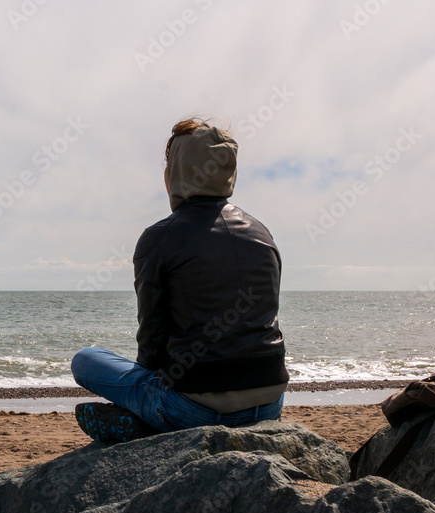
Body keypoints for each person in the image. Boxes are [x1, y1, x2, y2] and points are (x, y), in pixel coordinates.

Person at [72, 118, 289, 441]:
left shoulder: (158, 239)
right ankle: (151, 420)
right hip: (270, 400)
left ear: (175, 172)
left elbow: (151, 344)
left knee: (85, 360)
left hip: (194, 407)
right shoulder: (262, 233)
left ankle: (151, 422)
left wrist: (152, 381)